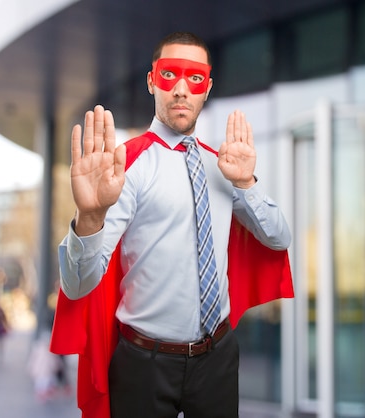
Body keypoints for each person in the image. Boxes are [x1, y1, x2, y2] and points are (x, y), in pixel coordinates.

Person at [49, 31, 293, 418]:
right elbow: (80, 285)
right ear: (151, 81)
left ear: (207, 88)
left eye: (194, 77)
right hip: (144, 363)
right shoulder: (124, 167)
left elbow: (279, 240)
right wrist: (91, 217)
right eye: (169, 75)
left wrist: (246, 184)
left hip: (218, 358)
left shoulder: (224, 166)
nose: (181, 88)